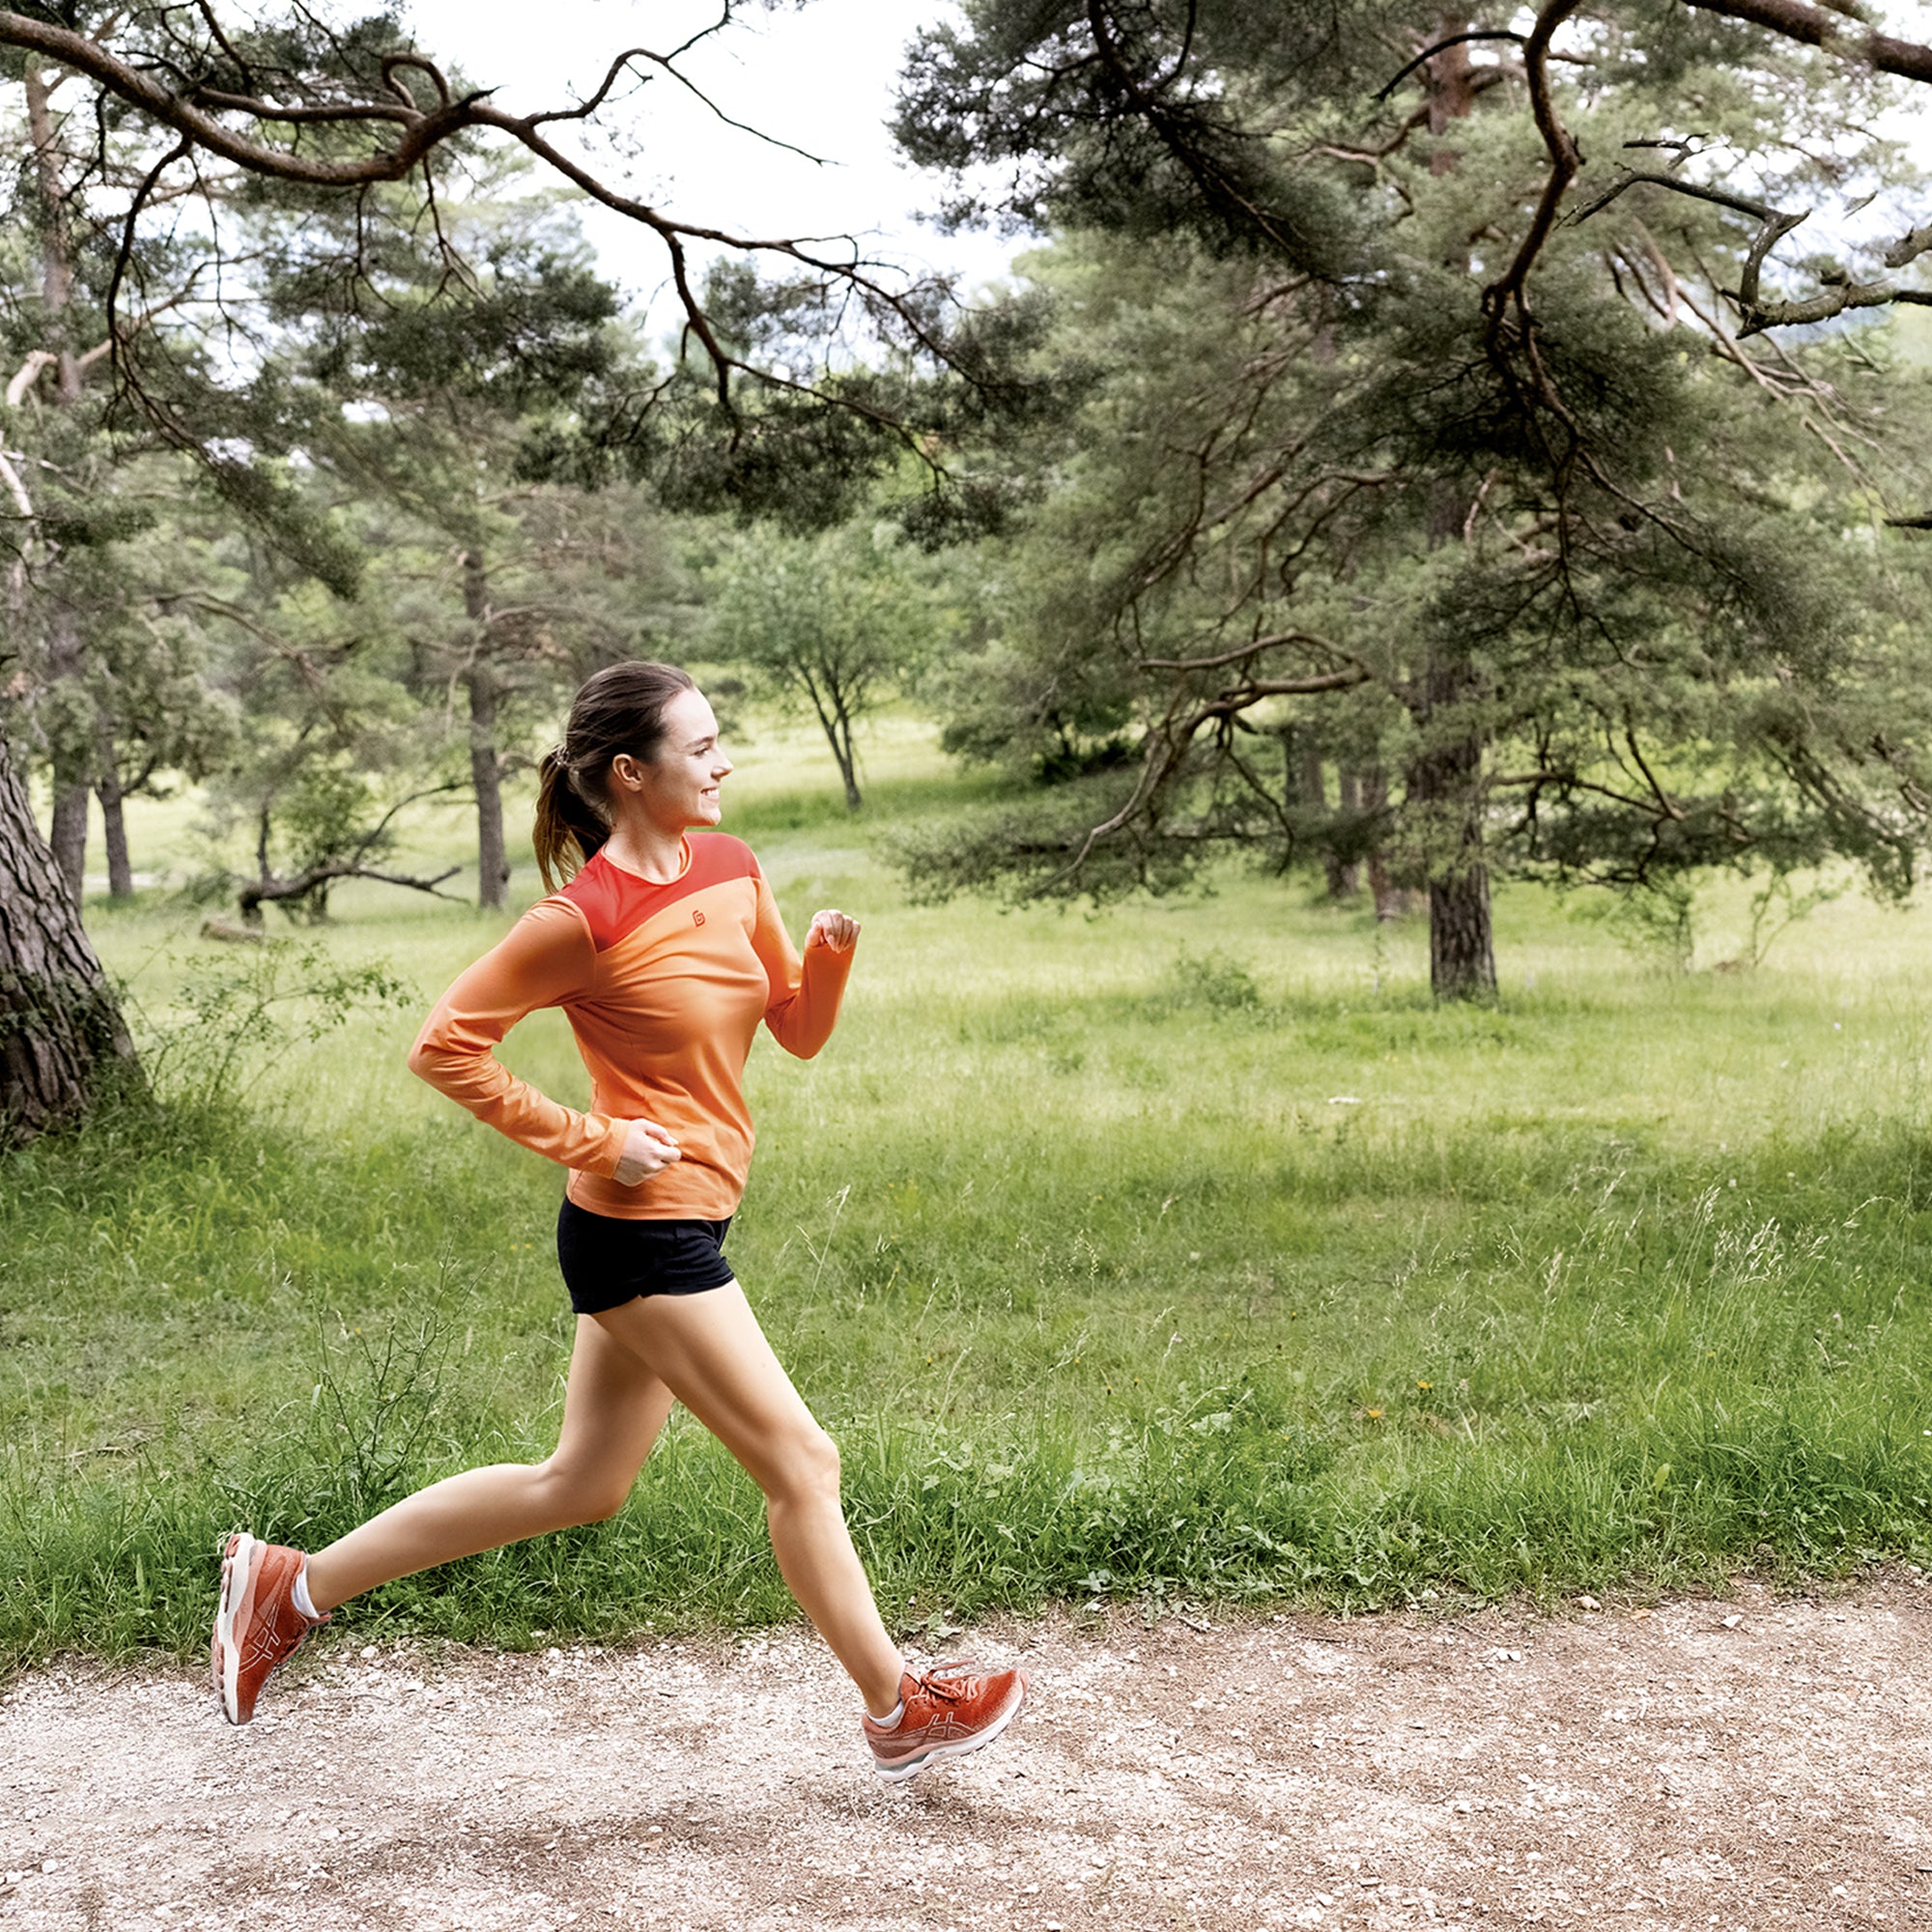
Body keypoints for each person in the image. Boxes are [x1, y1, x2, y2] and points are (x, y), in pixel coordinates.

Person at [210, 661, 1028, 1784]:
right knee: (803, 1460)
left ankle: (287, 1587)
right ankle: (896, 1707)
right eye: (701, 747)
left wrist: (828, 956)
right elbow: (443, 1048)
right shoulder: (579, 919)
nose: (724, 760)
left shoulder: (734, 870)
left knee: (579, 1484)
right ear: (631, 773)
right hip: (641, 1232)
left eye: (719, 738)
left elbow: (794, 1029)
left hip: (681, 1218)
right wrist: (591, 1138)